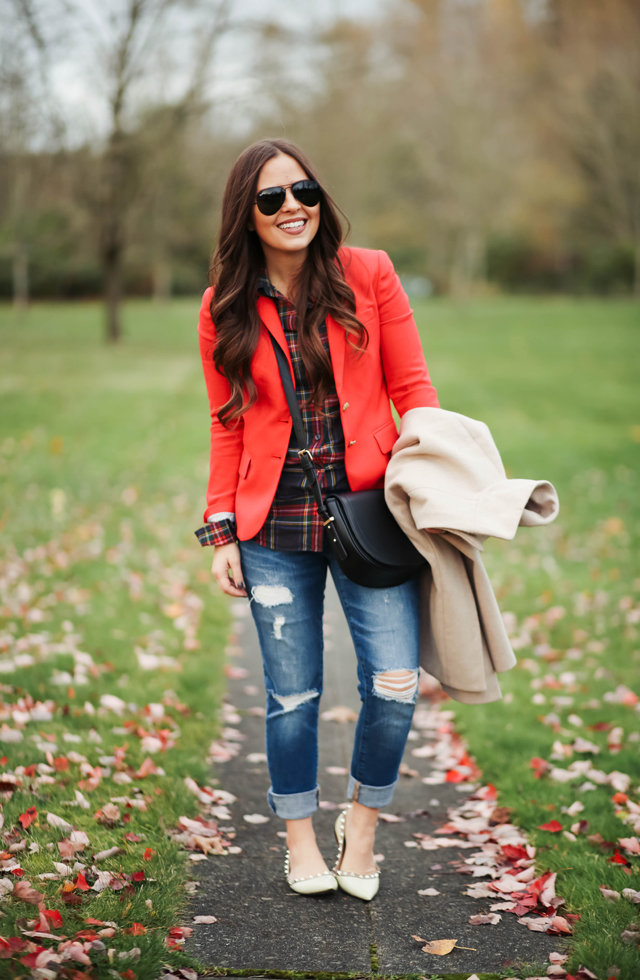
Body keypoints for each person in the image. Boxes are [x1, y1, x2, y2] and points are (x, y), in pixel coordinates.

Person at [195, 138, 439, 900]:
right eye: (271, 198)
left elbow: (414, 387)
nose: (291, 206)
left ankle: (360, 824)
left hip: (372, 515)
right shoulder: (224, 306)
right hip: (275, 527)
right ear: (248, 215)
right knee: (293, 694)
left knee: (395, 683)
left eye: (302, 190)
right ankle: (299, 836)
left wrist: (434, 481)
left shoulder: (368, 273)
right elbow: (226, 422)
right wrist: (220, 528)